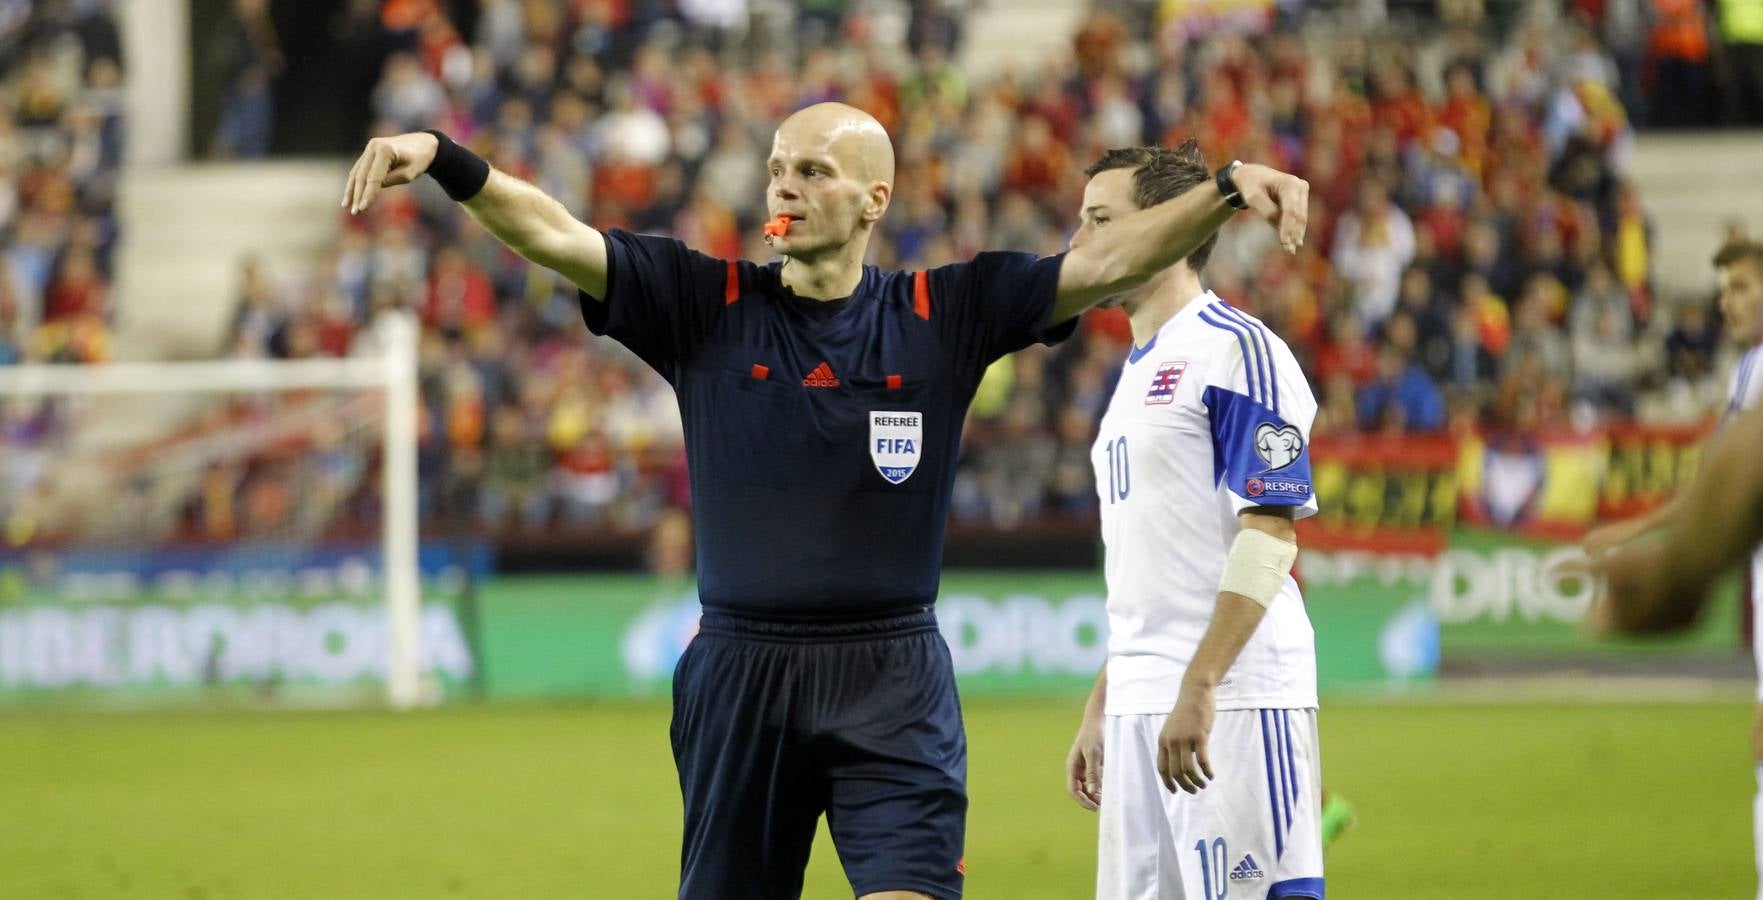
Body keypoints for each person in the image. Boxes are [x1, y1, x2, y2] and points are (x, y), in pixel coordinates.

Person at [341, 105, 1308, 900]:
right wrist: (445, 159)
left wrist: (1223, 192)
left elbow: (1104, 265)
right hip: (740, 673)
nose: (785, 189)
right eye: (775, 170)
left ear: (873, 197)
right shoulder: (703, 304)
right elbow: (553, 234)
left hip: (892, 677)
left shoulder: (945, 313)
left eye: (812, 171)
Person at [1061, 143, 1324, 899]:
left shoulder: (1236, 351)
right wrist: (1106, 700)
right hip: (1145, 705)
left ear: (1172, 228)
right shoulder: (1133, 373)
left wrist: (1200, 685)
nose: (1080, 242)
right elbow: (1161, 567)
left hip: (1232, 702)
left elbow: (1269, 534)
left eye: (1101, 220)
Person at [1585, 239, 1763, 896]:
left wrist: (1668, 579)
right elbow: (1724, 480)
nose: (1727, 302)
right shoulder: (1747, 370)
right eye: (1723, 290)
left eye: (1742, 287)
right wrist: (1640, 532)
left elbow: (1736, 478)